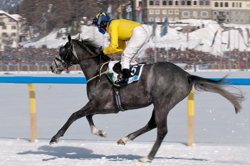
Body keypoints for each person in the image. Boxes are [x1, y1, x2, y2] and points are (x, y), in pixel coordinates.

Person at [92, 12, 150, 86]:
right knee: (130, 60)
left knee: (126, 57)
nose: (98, 28)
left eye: (98, 25)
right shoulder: (114, 25)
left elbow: (113, 46)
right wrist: (105, 52)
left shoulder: (112, 25)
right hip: (142, 33)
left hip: (138, 33)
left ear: (102, 23)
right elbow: (121, 48)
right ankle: (137, 80)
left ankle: (125, 80)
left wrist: (103, 52)